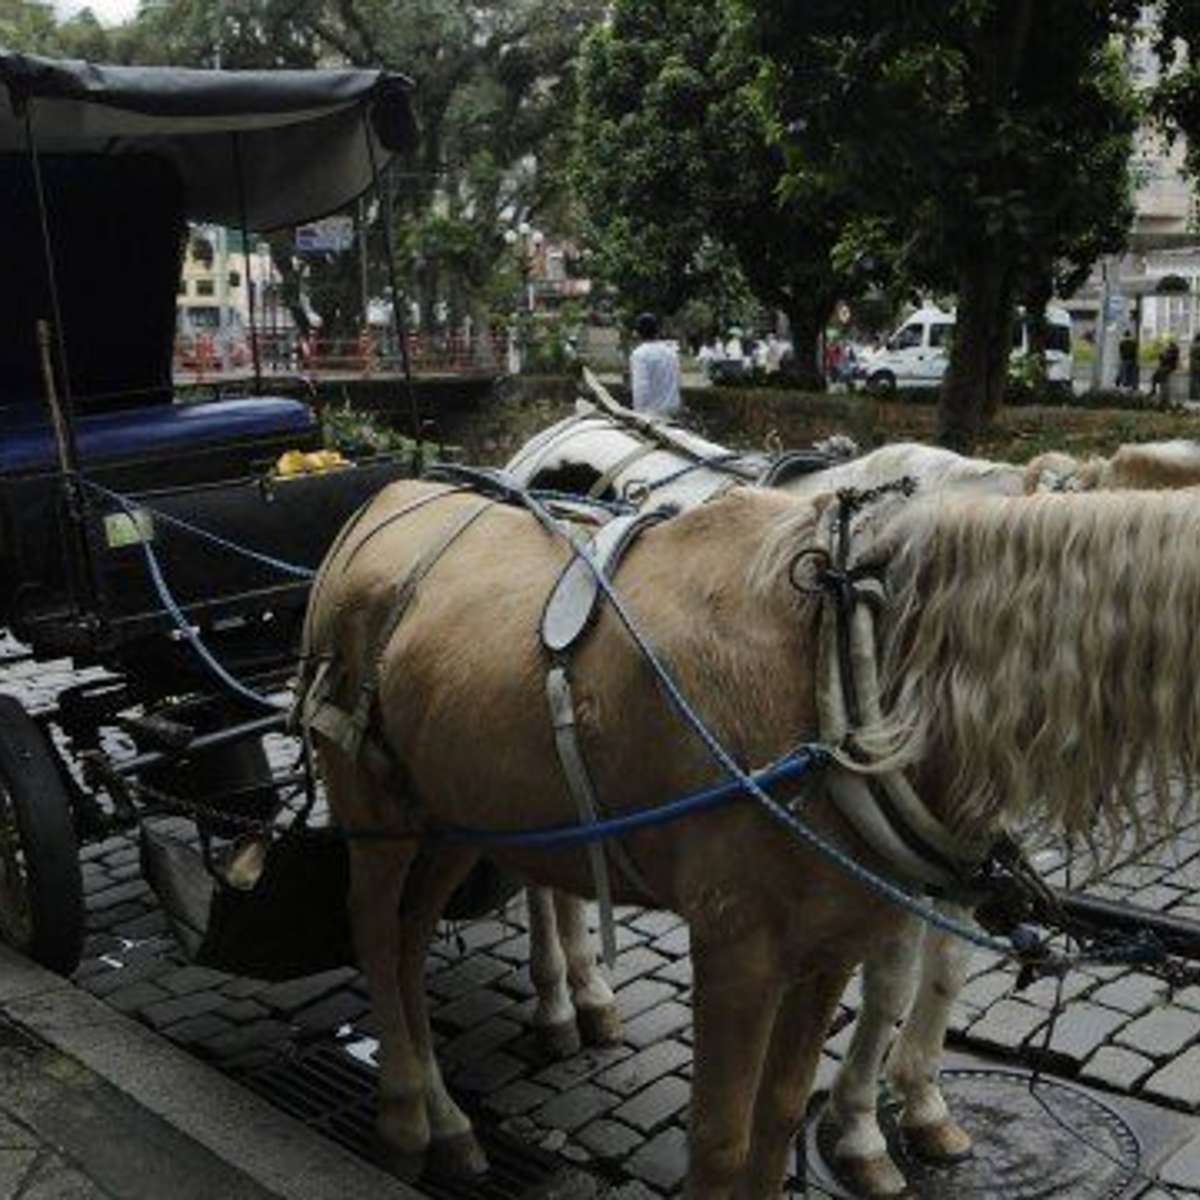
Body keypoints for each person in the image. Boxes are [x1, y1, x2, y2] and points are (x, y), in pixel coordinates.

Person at [629, 312, 682, 415]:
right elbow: (678, 381)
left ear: (638, 333)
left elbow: (640, 389)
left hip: (652, 414)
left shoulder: (639, 355)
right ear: (657, 331)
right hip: (674, 410)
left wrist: (638, 415)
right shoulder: (671, 352)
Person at [1151, 337, 1180, 407]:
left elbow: (1167, 359)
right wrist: (1162, 356)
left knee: (1160, 374)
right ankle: (1154, 389)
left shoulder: (1173, 352)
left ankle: (1155, 390)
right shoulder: (1169, 351)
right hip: (1166, 367)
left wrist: (1162, 356)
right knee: (1156, 375)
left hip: (1169, 367)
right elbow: (1164, 360)